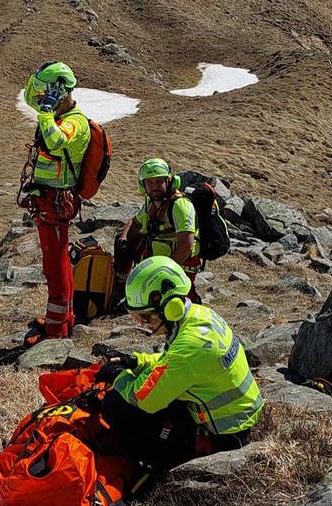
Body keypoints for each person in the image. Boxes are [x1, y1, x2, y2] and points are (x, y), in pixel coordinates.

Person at [96, 256, 263, 471]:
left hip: (225, 434)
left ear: (169, 306)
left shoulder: (190, 348)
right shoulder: (199, 316)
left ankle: (156, 466)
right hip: (239, 415)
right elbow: (171, 362)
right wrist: (136, 361)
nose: (145, 324)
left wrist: (118, 375)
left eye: (146, 317)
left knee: (115, 405)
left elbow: (144, 398)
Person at [18, 61, 90, 345]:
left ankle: (57, 329)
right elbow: (29, 99)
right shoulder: (57, 113)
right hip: (46, 197)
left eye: (43, 93)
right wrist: (46, 107)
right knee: (55, 260)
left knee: (55, 262)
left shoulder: (75, 122)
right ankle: (62, 318)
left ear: (58, 91)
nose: (38, 99)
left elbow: (56, 141)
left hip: (57, 201)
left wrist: (47, 113)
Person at [114, 158, 203, 303]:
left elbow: (186, 246)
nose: (154, 186)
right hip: (157, 262)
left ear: (169, 181)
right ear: (143, 185)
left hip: (177, 266)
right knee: (121, 240)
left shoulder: (180, 206)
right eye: (149, 182)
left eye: (158, 182)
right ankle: (120, 287)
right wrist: (123, 240)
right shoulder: (150, 204)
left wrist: (164, 273)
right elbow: (134, 223)